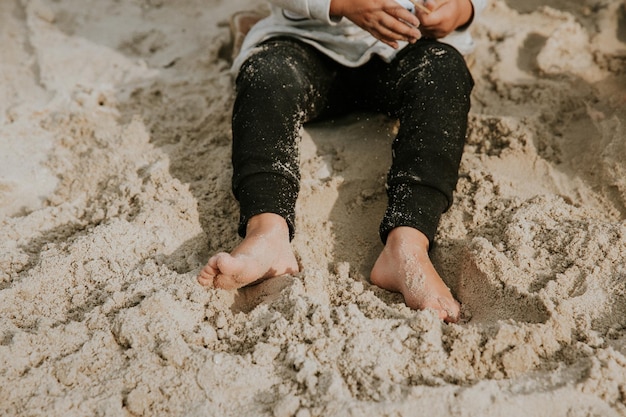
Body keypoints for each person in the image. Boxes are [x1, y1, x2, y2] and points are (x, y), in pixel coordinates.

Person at [198, 0, 487, 323]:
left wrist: (461, 10)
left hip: (410, 49)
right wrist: (343, 4)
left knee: (444, 73)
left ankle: (407, 244)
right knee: (265, 75)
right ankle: (267, 232)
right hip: (305, 43)